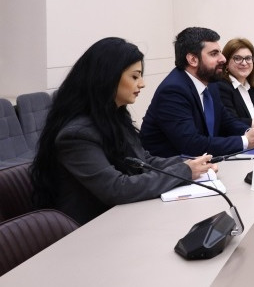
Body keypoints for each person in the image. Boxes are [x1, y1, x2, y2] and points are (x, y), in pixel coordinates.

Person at [29, 37, 217, 225]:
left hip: (123, 217)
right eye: (135, 77)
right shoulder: (76, 135)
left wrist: (192, 164)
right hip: (91, 228)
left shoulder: (114, 116)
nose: (142, 84)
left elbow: (143, 161)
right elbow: (116, 188)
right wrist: (184, 171)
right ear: (107, 78)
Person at [140, 27, 254, 158]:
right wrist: (246, 141)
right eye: (214, 54)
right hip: (170, 168)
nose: (223, 59)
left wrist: (252, 133)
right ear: (193, 59)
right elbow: (192, 144)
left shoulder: (211, 84)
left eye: (220, 52)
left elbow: (227, 122)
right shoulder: (173, 91)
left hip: (203, 163)